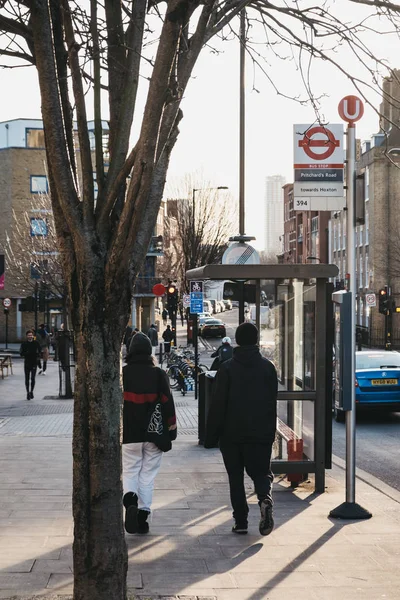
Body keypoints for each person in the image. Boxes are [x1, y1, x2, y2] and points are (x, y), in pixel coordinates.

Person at [205, 322, 277, 536]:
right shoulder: (268, 367)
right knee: (261, 473)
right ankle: (265, 498)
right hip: (260, 433)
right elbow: (271, 402)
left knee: (235, 478)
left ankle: (241, 521)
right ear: (256, 341)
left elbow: (218, 405)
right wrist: (269, 433)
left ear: (237, 340)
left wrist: (211, 436)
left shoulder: (226, 368)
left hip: (232, 434)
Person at [122, 332, 177, 534]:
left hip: (128, 434)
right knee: (147, 475)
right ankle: (143, 516)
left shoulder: (123, 374)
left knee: (130, 470)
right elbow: (168, 404)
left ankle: (130, 500)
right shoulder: (158, 374)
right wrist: (172, 430)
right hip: (154, 433)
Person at [19, 330, 42, 400]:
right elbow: (21, 353)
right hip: (27, 363)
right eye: (28, 335)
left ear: (33, 336)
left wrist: (38, 356)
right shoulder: (24, 344)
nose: (30, 336)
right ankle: (27, 392)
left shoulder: (36, 343)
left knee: (32, 378)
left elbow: (39, 351)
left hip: (34, 363)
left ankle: (31, 391)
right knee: (27, 379)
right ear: (26, 336)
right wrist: (26, 353)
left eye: (31, 335)